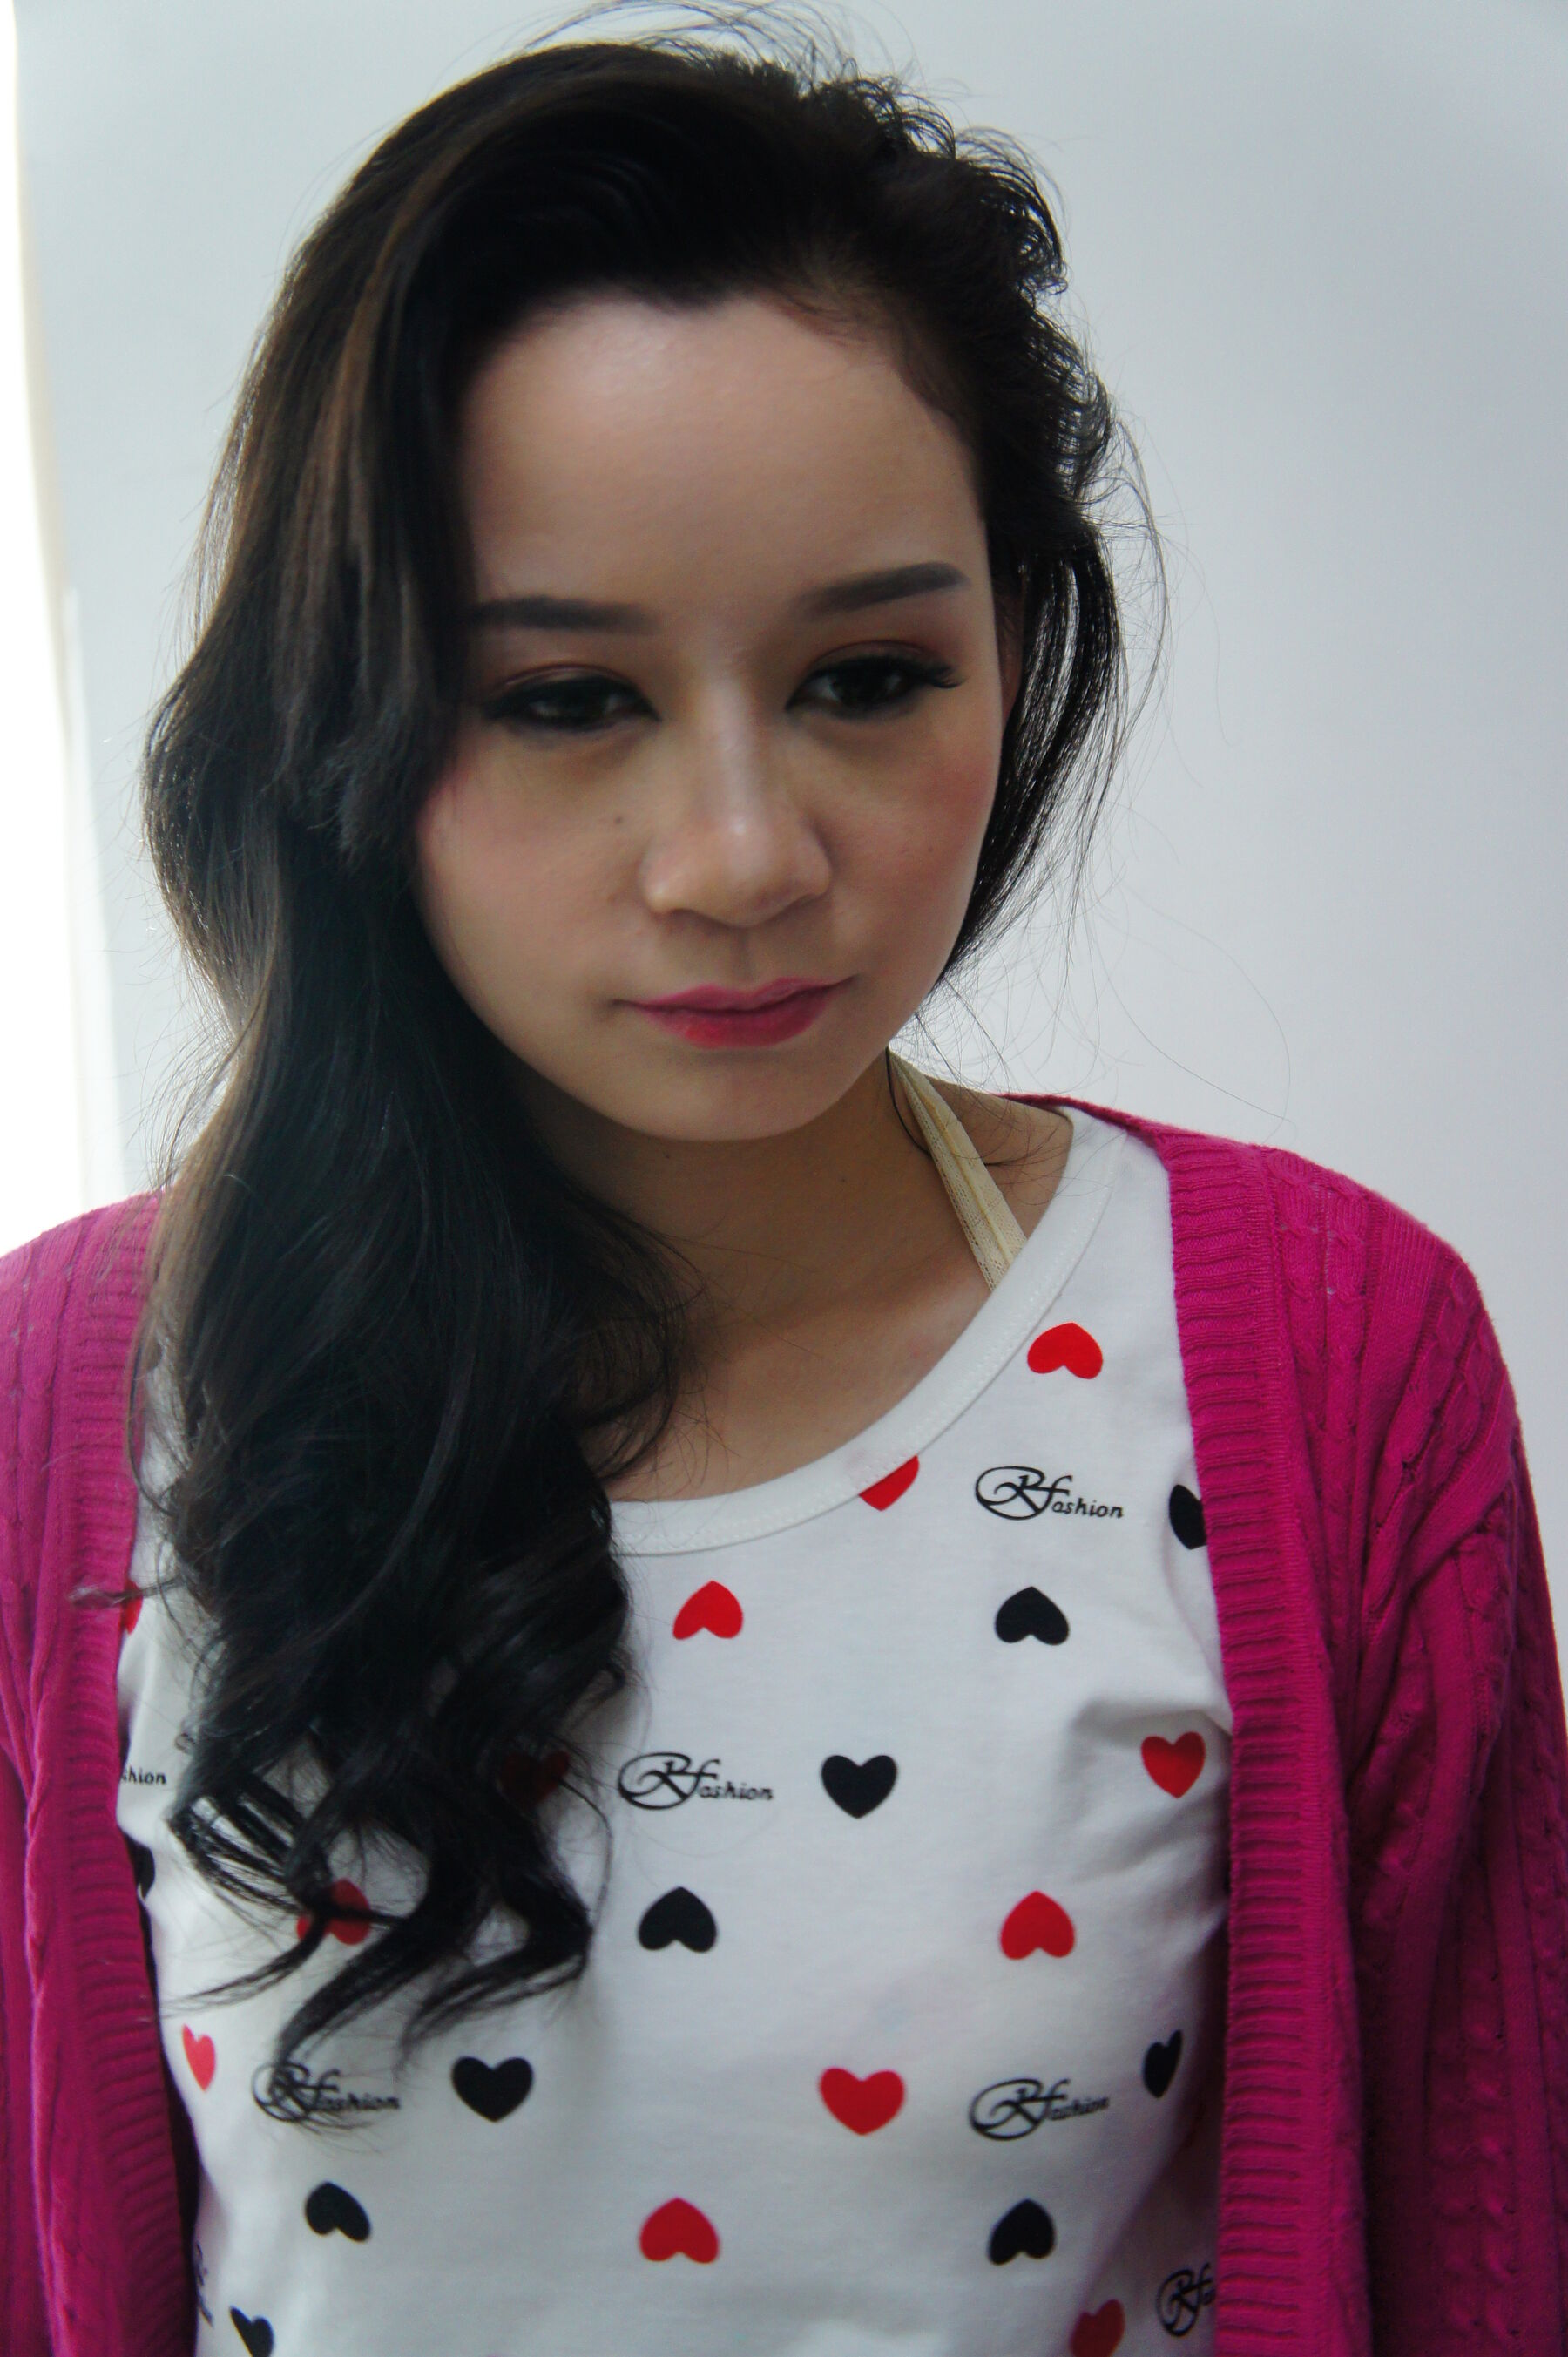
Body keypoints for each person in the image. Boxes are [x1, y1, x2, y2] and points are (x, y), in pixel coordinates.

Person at [2, 16, 1564, 2357]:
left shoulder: (1330, 1370)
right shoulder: (74, 1407)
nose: (742, 858)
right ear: (342, 721)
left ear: (1015, 656)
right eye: (565, 699)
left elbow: (1482, 2247)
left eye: (868, 676)